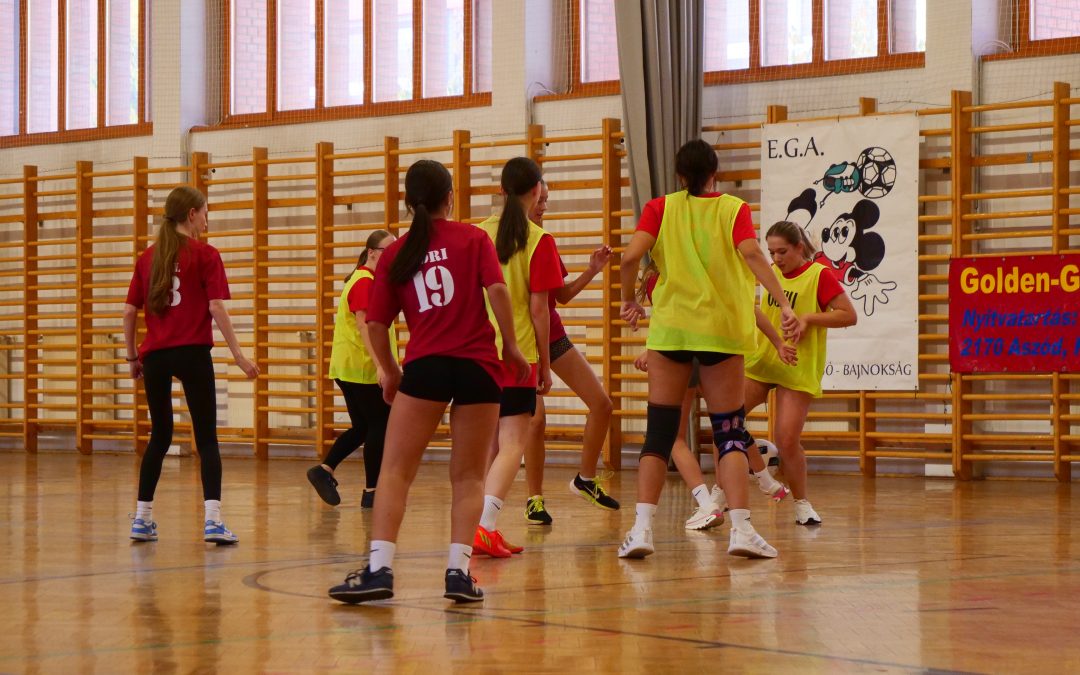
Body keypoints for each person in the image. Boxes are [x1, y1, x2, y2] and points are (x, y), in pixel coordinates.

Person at [327, 159, 529, 605]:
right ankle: (458, 573)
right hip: (479, 367)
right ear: (450, 198)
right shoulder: (473, 238)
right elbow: (497, 290)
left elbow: (376, 324)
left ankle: (379, 569)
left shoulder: (396, 253)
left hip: (426, 366)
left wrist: (390, 372)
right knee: (469, 476)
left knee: (395, 471)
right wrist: (512, 346)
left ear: (408, 201)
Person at [617, 139, 798, 560]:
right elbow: (752, 254)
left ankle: (641, 529)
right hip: (722, 333)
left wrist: (629, 300)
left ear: (679, 175)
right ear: (715, 173)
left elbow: (629, 258)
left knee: (660, 433)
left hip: (672, 333)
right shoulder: (733, 209)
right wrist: (784, 303)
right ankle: (741, 530)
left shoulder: (660, 208)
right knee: (729, 432)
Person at [123, 186, 260, 545]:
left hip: (155, 355)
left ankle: (142, 518)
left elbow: (129, 311)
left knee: (160, 436)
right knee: (206, 437)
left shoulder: (148, 258)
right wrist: (239, 355)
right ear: (191, 214)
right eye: (205, 213)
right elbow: (215, 307)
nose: (206, 221)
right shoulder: (206, 254)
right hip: (193, 353)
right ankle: (213, 521)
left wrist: (133, 357)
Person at [632, 264, 795, 531]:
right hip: (716, 351)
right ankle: (766, 482)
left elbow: (669, 323)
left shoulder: (660, 279)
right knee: (729, 424)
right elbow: (749, 309)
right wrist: (777, 342)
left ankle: (706, 503)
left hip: (680, 354)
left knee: (674, 437)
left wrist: (652, 351)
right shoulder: (707, 268)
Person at [472, 158, 564, 556]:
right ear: (537, 191)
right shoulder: (538, 240)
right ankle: (485, 524)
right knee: (513, 443)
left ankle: (476, 528)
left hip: (477, 355)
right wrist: (545, 364)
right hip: (518, 356)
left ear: (501, 190)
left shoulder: (477, 234)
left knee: (490, 446)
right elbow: (540, 310)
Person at [743, 221, 857, 526]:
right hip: (765, 357)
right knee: (726, 419)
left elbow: (849, 315)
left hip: (798, 363)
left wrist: (809, 318)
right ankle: (726, 491)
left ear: (799, 247)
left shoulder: (819, 275)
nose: (776, 258)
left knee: (787, 439)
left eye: (782, 251)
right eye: (771, 252)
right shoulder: (770, 273)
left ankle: (802, 503)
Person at [522, 180, 618, 526]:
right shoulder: (506, 239)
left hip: (552, 337)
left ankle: (585, 479)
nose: (544, 206)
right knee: (536, 421)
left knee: (602, 404)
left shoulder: (543, 240)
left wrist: (592, 270)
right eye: (540, 200)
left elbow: (559, 296)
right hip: (523, 342)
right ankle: (534, 499)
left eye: (547, 200)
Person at [307, 230, 397, 508]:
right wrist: (382, 365)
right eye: (388, 252)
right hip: (362, 368)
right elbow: (364, 325)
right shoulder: (364, 281)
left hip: (351, 367)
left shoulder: (364, 280)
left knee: (363, 426)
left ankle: (324, 470)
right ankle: (372, 491)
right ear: (372, 253)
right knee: (379, 425)